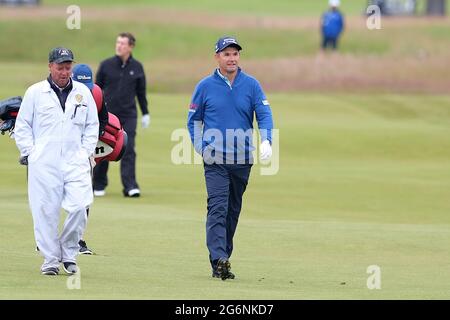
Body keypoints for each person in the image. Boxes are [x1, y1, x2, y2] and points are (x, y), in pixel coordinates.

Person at [187, 36, 274, 280]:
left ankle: (223, 257)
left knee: (232, 211)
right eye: (226, 54)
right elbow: (193, 122)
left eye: (235, 53)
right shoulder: (205, 86)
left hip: (243, 159)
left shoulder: (252, 85)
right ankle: (219, 259)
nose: (232, 58)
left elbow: (264, 115)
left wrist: (267, 139)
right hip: (215, 159)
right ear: (217, 57)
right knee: (218, 207)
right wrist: (201, 148)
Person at [14, 47, 99, 275]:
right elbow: (22, 126)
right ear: (50, 66)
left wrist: (85, 152)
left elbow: (92, 125)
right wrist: (31, 153)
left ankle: (68, 253)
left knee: (80, 206)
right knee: (45, 212)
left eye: (68, 67)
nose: (64, 72)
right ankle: (51, 260)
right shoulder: (35, 92)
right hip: (44, 163)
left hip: (76, 161)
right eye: (60, 67)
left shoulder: (82, 93)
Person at [93, 32, 150, 198]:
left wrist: (145, 113)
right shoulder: (106, 65)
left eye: (123, 44)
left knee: (128, 148)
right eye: (118, 42)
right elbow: (96, 90)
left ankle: (130, 186)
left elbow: (141, 92)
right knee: (104, 147)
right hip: (108, 115)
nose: (119, 46)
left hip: (128, 115)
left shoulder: (137, 67)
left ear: (131, 47)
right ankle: (98, 184)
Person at [71, 63, 109, 255]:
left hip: (85, 153)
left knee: (84, 197)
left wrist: (93, 139)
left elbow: (103, 119)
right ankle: (48, 240)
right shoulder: (59, 95)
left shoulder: (96, 93)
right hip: (59, 153)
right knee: (53, 197)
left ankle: (78, 240)